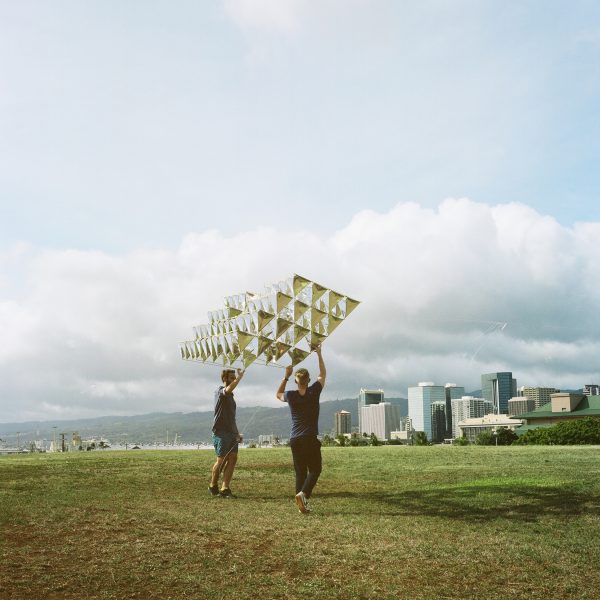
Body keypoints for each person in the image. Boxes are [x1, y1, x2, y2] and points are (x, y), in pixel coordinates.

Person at [276, 344, 326, 514]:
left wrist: (285, 377)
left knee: (300, 473)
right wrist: (318, 353)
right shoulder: (314, 392)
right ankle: (303, 494)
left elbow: (278, 395)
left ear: (297, 380)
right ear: (308, 380)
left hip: (295, 439)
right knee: (316, 469)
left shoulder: (291, 395)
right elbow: (323, 374)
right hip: (309, 438)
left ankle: (301, 504)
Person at [209, 368, 244, 498]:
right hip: (220, 432)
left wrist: (237, 433)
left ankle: (225, 488)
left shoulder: (231, 397)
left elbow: (232, 418)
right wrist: (239, 378)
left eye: (234, 378)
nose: (234, 380)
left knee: (233, 459)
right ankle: (213, 485)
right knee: (221, 460)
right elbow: (227, 389)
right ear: (224, 379)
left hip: (231, 433)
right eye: (231, 378)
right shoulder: (220, 392)